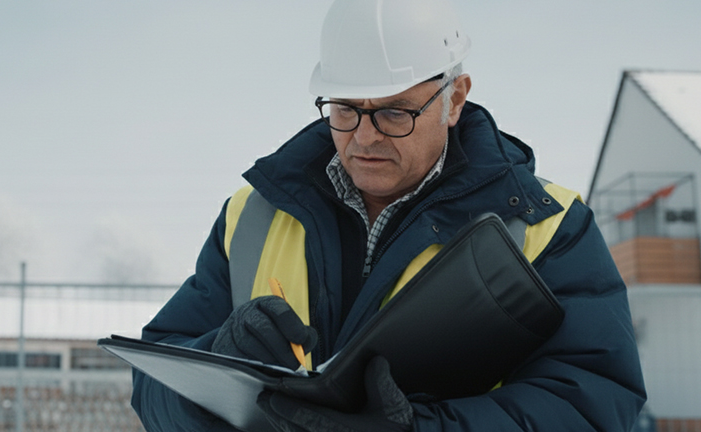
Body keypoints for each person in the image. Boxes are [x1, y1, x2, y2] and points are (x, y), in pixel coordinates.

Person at [130, 0, 647, 430]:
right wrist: (215, 362)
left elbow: (595, 404)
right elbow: (152, 383)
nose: (365, 136)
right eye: (344, 109)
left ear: (454, 100)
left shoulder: (546, 227)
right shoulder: (252, 215)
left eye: (395, 112)